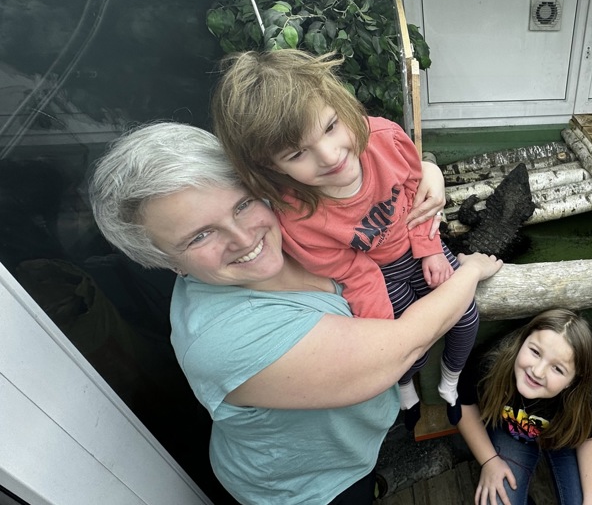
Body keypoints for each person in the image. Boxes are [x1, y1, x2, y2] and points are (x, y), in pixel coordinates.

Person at [88, 122, 503, 505]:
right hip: (308, 487)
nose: (243, 237)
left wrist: (427, 172)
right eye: (200, 236)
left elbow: (372, 180)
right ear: (166, 262)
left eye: (242, 204)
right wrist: (470, 274)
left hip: (353, 444)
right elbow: (401, 350)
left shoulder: (290, 217)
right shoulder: (225, 340)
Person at [210, 49, 477, 431]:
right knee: (408, 354)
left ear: (340, 106)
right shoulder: (296, 215)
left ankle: (451, 381)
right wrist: (388, 339)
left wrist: (430, 248)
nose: (330, 155)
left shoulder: (385, 139)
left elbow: (417, 188)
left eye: (331, 126)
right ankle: (405, 387)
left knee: (466, 317)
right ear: (270, 165)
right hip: (374, 272)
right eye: (298, 153)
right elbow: (350, 269)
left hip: (417, 244)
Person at [456, 309, 592, 505]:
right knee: (497, 500)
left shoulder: (582, 395)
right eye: (535, 352)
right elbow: (463, 404)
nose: (537, 371)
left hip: (563, 437)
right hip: (513, 436)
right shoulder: (490, 363)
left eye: (557, 368)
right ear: (523, 339)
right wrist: (489, 460)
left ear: (573, 381)